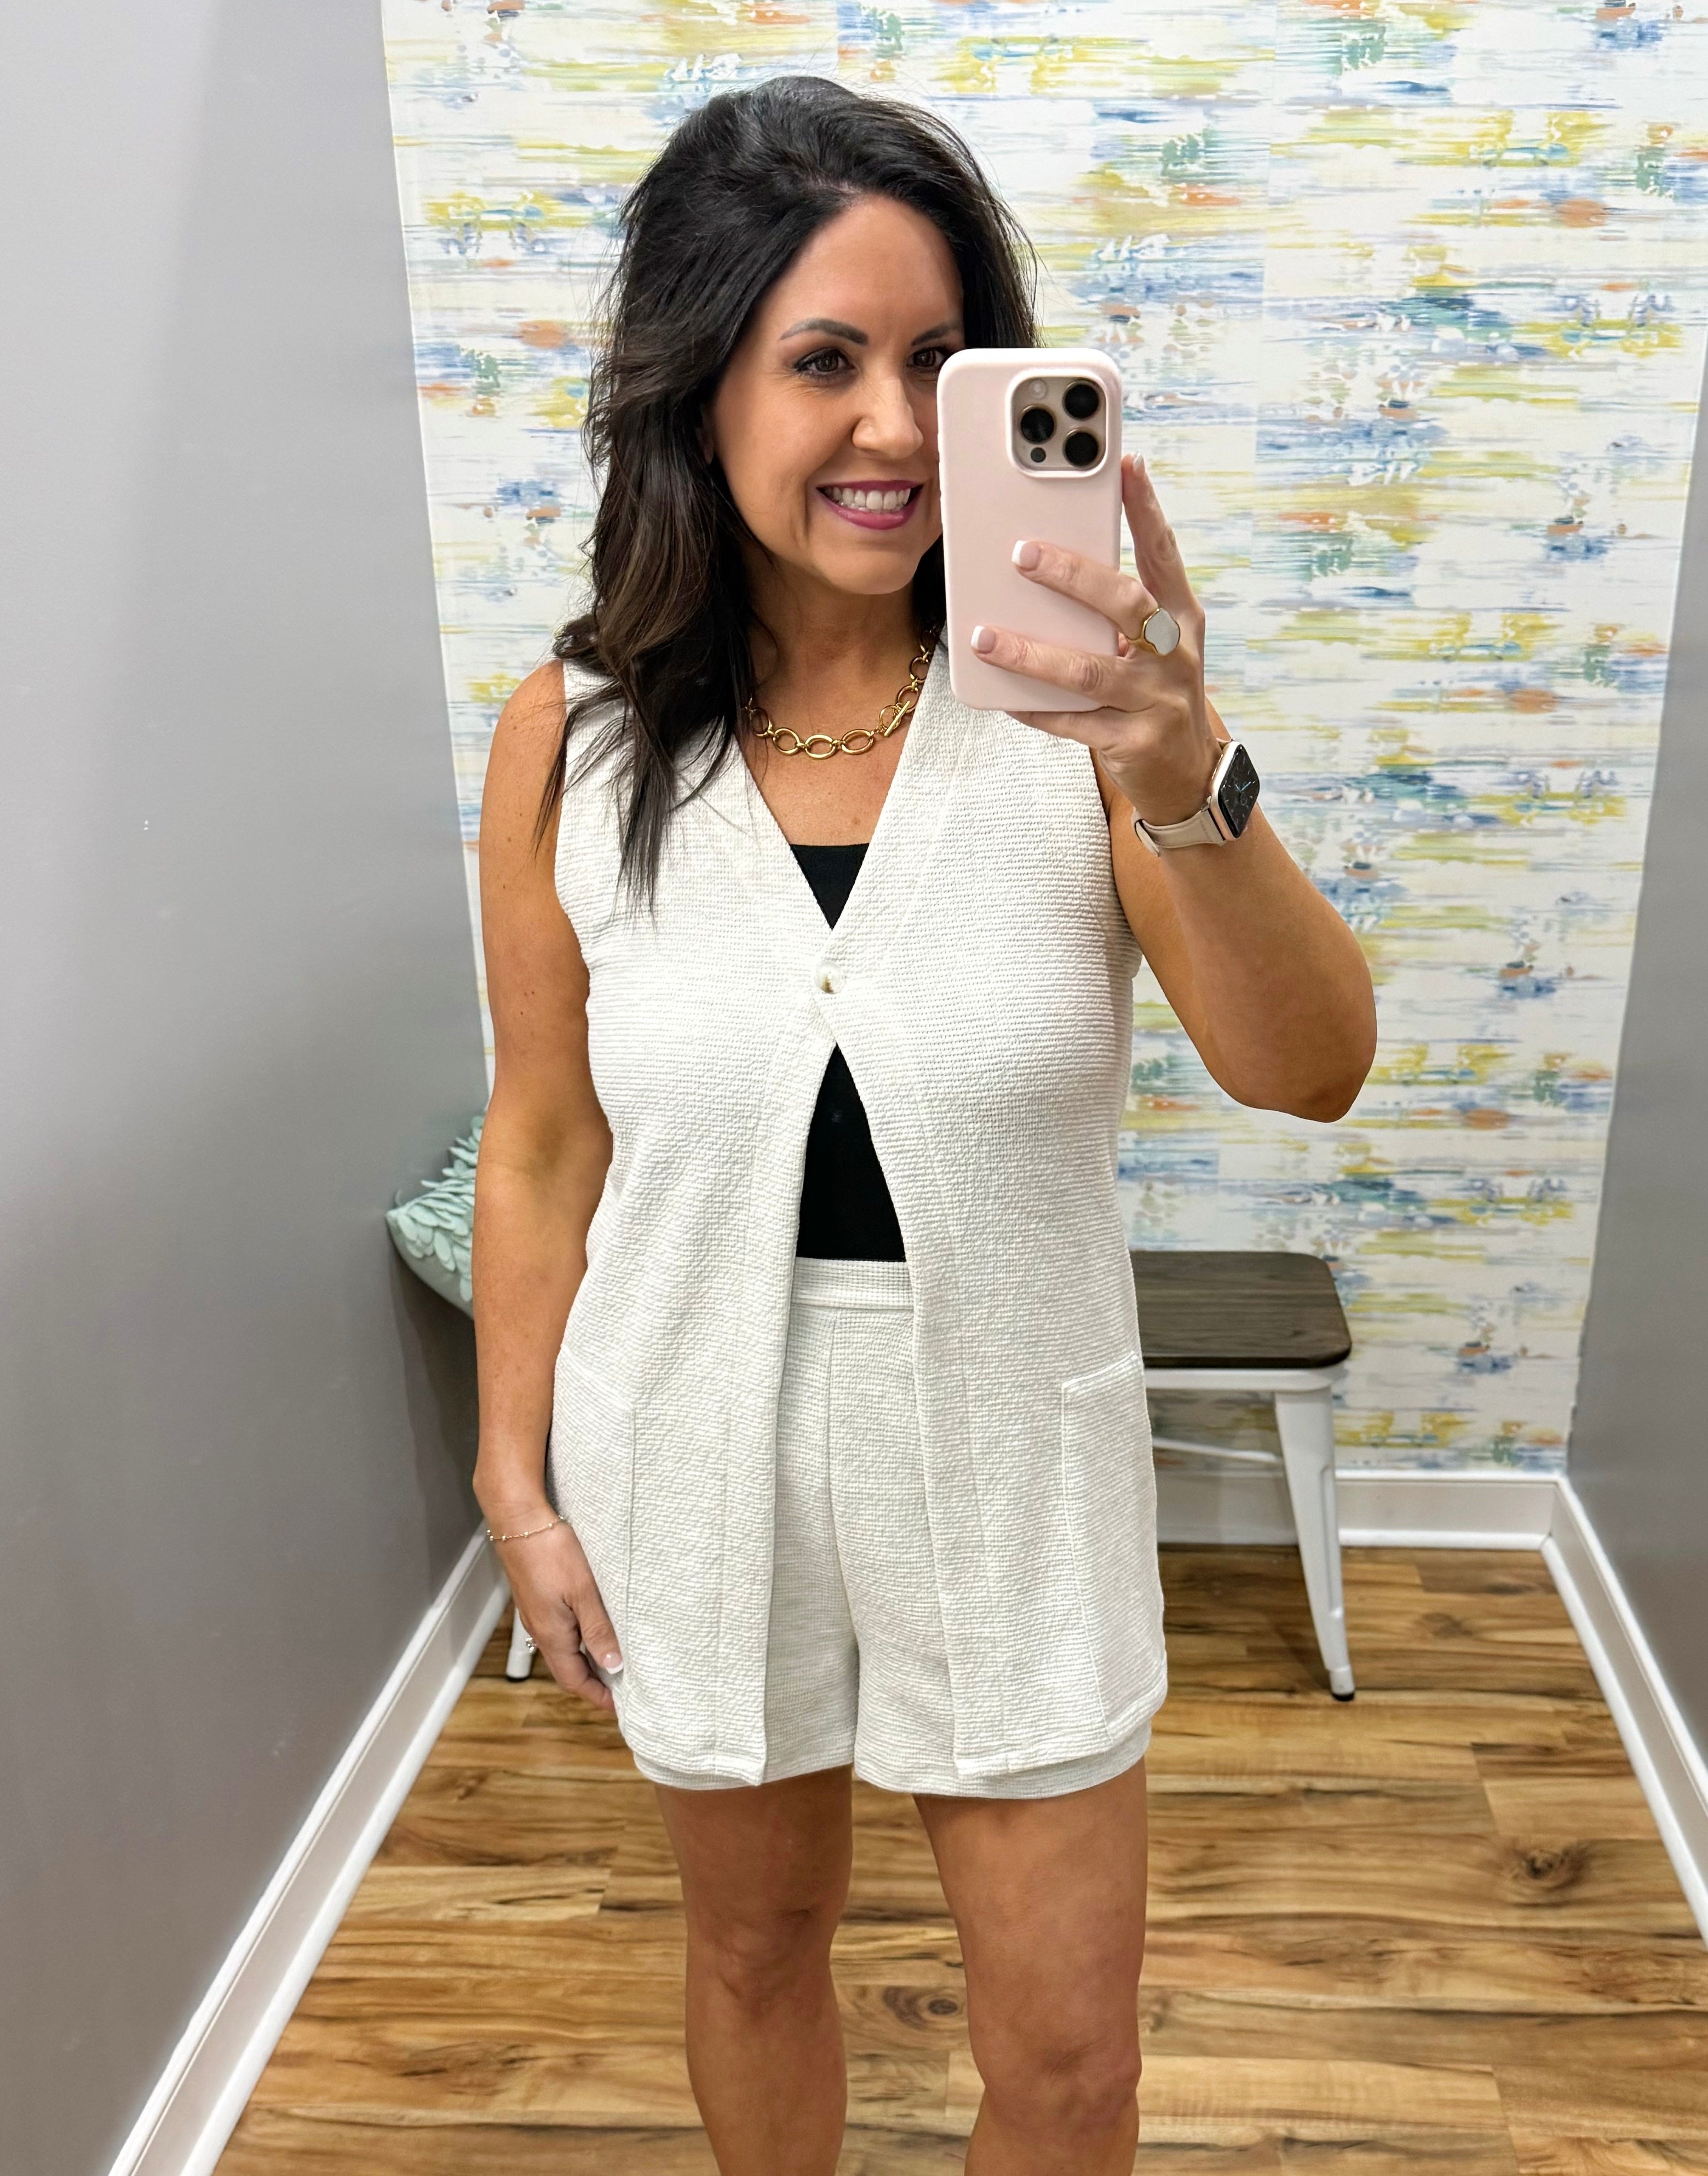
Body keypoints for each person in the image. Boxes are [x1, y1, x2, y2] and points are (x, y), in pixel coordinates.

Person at [471, 74, 1375, 2176]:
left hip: (1005, 1433)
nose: (892, 424)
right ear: (697, 394)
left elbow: (1308, 1066)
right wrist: (514, 1477)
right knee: (755, 1957)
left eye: (940, 365)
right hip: (682, 1431)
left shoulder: (1075, 717)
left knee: (1069, 2064)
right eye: (824, 362)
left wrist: (1179, 755)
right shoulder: (570, 747)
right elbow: (538, 1145)